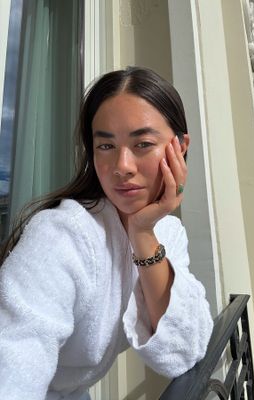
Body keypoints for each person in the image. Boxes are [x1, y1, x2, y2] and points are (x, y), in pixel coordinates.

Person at [0, 66, 213, 400]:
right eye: (105, 146)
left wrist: (142, 234)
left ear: (180, 146)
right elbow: (13, 358)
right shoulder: (60, 236)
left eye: (142, 143)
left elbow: (183, 350)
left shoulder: (167, 232)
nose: (122, 166)